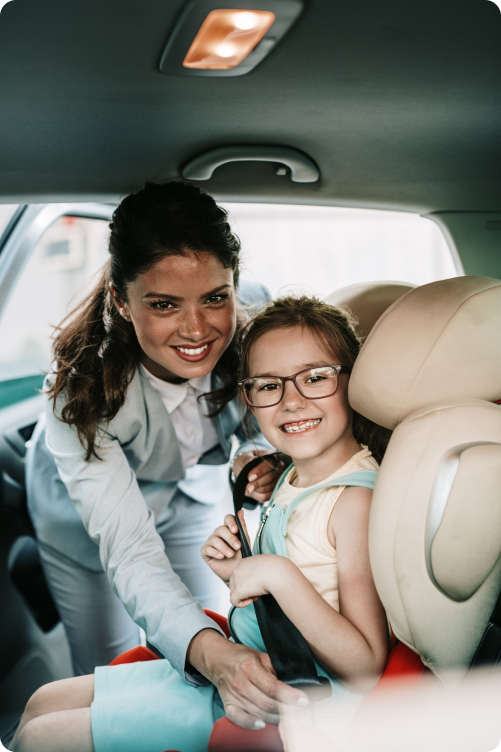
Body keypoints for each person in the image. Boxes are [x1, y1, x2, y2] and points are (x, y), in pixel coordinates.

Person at [12, 295, 390, 752]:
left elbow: (365, 667)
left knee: (38, 738)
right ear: (248, 396)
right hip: (250, 660)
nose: (291, 402)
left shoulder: (353, 502)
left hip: (293, 697)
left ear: (355, 380)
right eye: (268, 386)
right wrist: (241, 570)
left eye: (315, 378)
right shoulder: (293, 474)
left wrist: (277, 574)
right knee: (40, 702)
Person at [24, 181, 303, 729]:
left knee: (199, 627)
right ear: (121, 303)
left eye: (215, 297)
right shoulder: (77, 389)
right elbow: (129, 548)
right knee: (106, 667)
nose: (198, 329)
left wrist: (251, 455)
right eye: (164, 304)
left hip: (183, 496)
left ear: (234, 287)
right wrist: (209, 656)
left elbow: (256, 420)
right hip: (82, 528)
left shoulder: (252, 336)